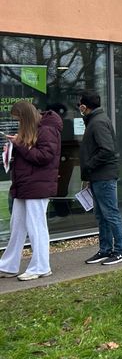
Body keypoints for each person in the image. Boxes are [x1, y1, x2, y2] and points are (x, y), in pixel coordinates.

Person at [0, 101, 61, 281]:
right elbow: (33, 153)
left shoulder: (47, 130)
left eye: (19, 119)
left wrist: (18, 145)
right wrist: (14, 148)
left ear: (25, 118)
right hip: (27, 184)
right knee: (17, 225)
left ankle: (41, 266)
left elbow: (44, 157)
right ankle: (8, 265)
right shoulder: (37, 129)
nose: (18, 123)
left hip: (36, 185)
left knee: (36, 227)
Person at [78, 90, 122, 265]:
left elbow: (106, 149)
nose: (79, 108)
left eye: (80, 105)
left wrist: (89, 165)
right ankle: (105, 250)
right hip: (98, 176)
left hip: (104, 176)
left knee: (110, 214)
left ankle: (121, 250)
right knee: (102, 215)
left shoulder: (98, 122)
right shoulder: (95, 121)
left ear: (84, 106)